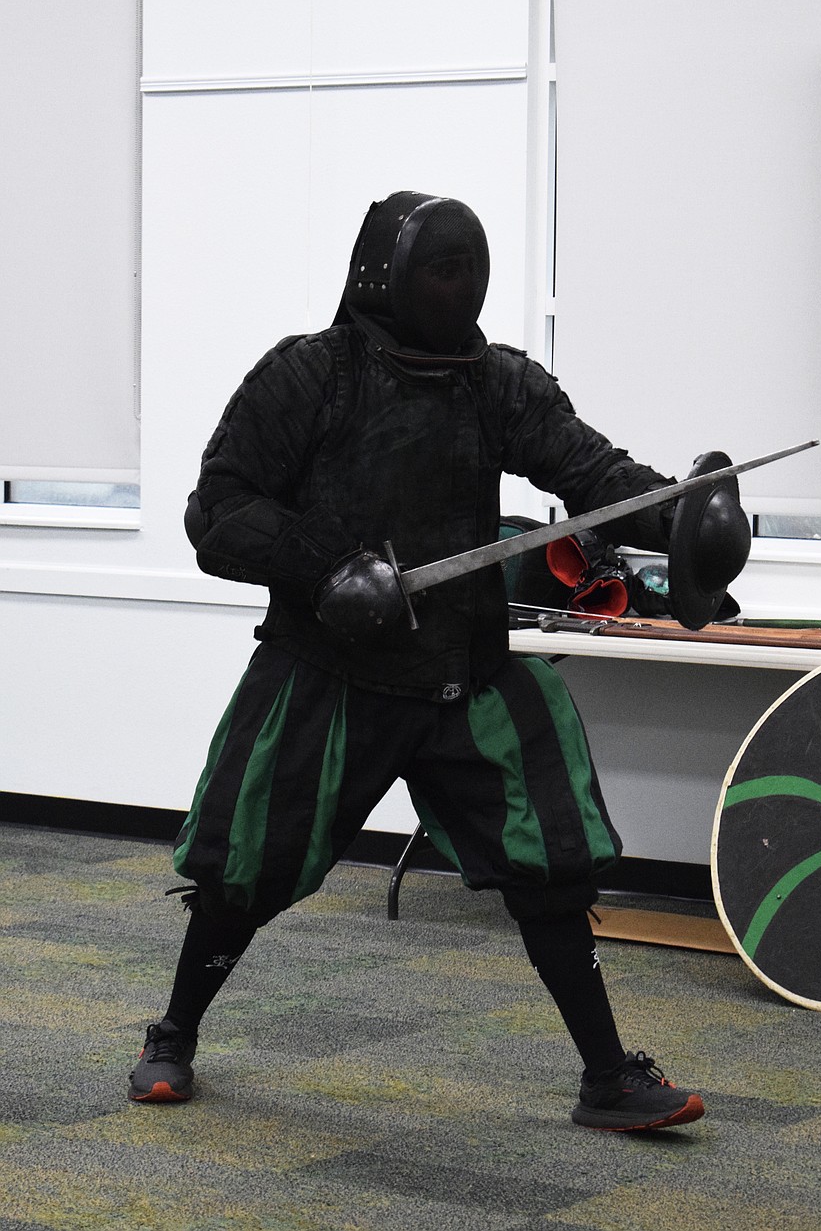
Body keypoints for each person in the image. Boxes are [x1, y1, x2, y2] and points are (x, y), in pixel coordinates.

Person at [129, 190, 743, 1130]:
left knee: (550, 864)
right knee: (247, 864)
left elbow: (588, 470)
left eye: (468, 269)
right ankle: (173, 1032)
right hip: (330, 672)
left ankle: (608, 1077)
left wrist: (676, 518)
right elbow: (217, 510)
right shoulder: (311, 376)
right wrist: (327, 566)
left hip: (467, 671)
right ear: (387, 275)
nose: (458, 286)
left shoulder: (497, 382)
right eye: (440, 269)